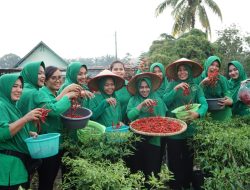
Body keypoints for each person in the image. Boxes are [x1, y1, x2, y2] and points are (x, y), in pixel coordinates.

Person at [163, 58, 208, 190]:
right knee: (174, 161)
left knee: (188, 161)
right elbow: (164, 102)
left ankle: (187, 184)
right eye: (179, 70)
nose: (182, 72)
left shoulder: (196, 87)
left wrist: (198, 114)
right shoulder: (171, 85)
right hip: (174, 130)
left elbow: (203, 103)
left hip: (190, 129)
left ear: (189, 71)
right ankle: (175, 185)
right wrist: (175, 89)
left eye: (185, 70)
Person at [38, 66, 80, 190]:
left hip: (57, 142)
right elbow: (53, 110)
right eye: (53, 78)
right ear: (45, 80)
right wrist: (67, 94)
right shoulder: (41, 93)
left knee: (53, 175)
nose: (58, 80)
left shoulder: (53, 93)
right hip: (47, 142)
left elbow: (56, 104)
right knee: (47, 179)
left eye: (60, 77)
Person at [0, 74, 43, 190]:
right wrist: (25, 119)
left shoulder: (11, 105)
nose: (19, 90)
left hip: (17, 166)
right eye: (14, 86)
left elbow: (11, 125)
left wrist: (27, 133)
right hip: (8, 168)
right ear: (4, 87)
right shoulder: (1, 105)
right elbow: (2, 132)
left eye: (20, 87)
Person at [126, 72, 167, 182]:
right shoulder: (133, 100)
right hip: (137, 139)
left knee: (152, 170)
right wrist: (141, 105)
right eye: (141, 87)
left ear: (150, 87)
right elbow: (130, 116)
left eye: (147, 87)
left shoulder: (157, 99)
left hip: (154, 139)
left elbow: (162, 119)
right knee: (137, 168)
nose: (144, 90)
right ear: (138, 88)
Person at [195, 55, 233, 121]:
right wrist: (202, 84)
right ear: (207, 65)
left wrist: (229, 100)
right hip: (205, 110)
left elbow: (227, 92)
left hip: (220, 110)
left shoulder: (222, 79)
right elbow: (193, 93)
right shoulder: (198, 77)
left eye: (217, 66)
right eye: (212, 64)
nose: (214, 67)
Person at [110, 60, 131, 124]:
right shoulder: (106, 87)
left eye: (121, 69)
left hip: (127, 122)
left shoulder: (129, 86)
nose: (119, 71)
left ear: (124, 71)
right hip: (110, 122)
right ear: (111, 71)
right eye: (115, 69)